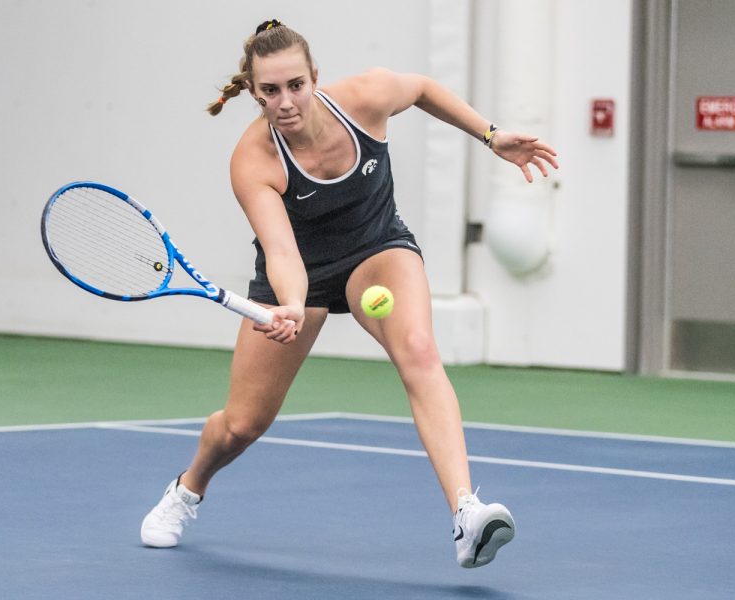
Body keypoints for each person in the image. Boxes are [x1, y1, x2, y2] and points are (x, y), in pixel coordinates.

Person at [140, 19, 558, 569]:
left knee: (419, 350)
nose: (285, 101)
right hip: (299, 275)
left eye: (295, 84)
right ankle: (187, 489)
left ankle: (466, 512)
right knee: (242, 425)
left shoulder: (366, 99)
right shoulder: (254, 160)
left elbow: (426, 89)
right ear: (254, 92)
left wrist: (490, 135)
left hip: (376, 249)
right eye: (270, 90)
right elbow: (283, 251)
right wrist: (290, 302)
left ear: (315, 78)